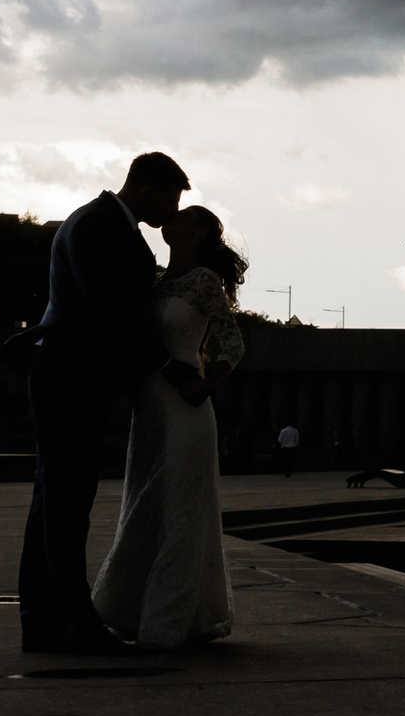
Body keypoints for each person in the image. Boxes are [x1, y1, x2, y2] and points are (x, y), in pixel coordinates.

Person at [16, 152, 186, 654]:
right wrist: (166, 364)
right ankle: (71, 624)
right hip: (71, 375)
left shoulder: (100, 222)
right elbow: (109, 311)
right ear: (148, 189)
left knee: (55, 502)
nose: (172, 210)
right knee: (67, 505)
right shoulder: (97, 225)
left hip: (69, 372)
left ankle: (45, 622)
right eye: (172, 198)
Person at [92, 205, 248, 648]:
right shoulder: (157, 280)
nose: (173, 218)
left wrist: (206, 385)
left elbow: (233, 343)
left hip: (184, 407)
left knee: (178, 509)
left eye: (186, 216)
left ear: (199, 232)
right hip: (150, 408)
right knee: (144, 505)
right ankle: (134, 610)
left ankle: (168, 620)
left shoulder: (205, 281)